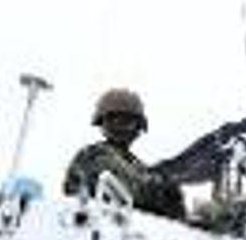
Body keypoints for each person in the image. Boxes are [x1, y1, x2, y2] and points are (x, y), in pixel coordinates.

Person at [63, 89, 186, 219]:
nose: (122, 127)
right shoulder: (94, 155)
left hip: (128, 227)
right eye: (115, 121)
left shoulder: (136, 165)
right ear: (103, 123)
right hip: (98, 224)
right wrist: (161, 188)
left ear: (139, 127)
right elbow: (129, 191)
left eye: (128, 122)